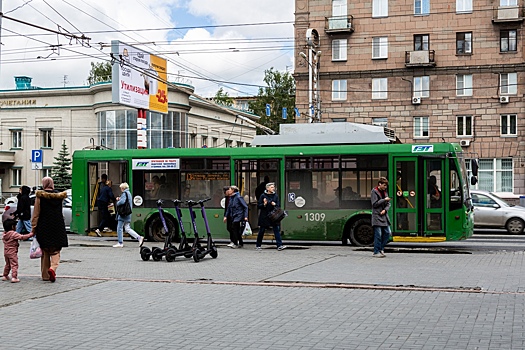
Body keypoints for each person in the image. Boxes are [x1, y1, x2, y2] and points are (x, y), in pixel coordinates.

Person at [31, 177, 68, 282]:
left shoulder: (40, 197)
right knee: (56, 250)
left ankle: (45, 275)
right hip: (57, 226)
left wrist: (33, 228)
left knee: (45, 251)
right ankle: (53, 268)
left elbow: (36, 214)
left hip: (44, 226)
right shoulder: (59, 197)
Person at [255, 182, 287, 251]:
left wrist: (274, 204)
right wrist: (264, 204)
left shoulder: (275, 196)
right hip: (264, 215)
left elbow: (278, 205)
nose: (273, 188)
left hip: (274, 215)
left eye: (273, 187)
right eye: (272, 187)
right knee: (262, 230)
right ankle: (258, 245)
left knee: (276, 230)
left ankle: (279, 245)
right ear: (267, 188)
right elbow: (259, 206)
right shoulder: (263, 196)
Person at [2, 219, 34, 283]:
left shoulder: (4, 234)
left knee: (8, 264)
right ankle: (14, 277)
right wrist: (31, 234)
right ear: (12, 227)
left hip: (6, 252)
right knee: (14, 264)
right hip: (12, 252)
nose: (16, 227)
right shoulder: (13, 234)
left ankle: (5, 275)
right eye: (15, 226)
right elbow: (22, 237)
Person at [114, 182, 144, 248]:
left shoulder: (124, 193)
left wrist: (118, 202)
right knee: (127, 228)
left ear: (123, 188)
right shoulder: (129, 193)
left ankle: (120, 242)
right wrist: (120, 198)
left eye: (121, 188)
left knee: (119, 228)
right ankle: (139, 237)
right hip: (127, 213)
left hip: (123, 214)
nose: (120, 189)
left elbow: (122, 202)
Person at [371, 176, 391, 258]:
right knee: (378, 234)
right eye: (384, 185)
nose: (385, 187)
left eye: (386, 186)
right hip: (377, 216)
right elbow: (374, 204)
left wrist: (385, 210)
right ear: (380, 184)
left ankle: (381, 248)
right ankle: (376, 251)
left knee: (387, 233)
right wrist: (384, 200)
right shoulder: (374, 192)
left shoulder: (385, 192)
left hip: (384, 216)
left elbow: (388, 204)